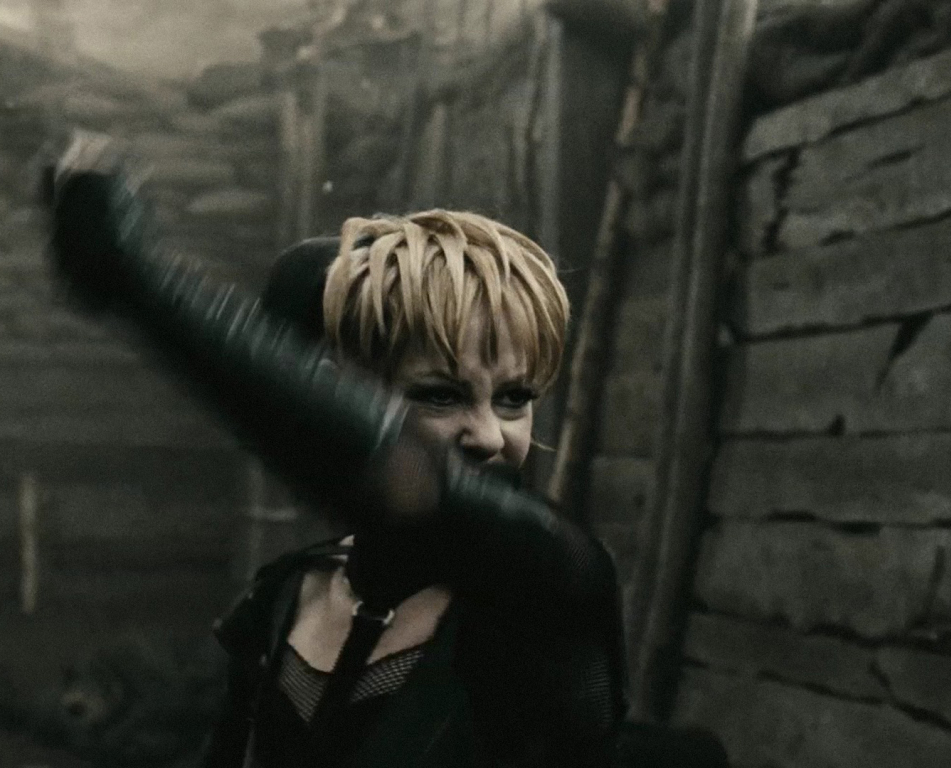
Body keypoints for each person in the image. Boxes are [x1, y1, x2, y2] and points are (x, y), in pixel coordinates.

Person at [46, 138, 624, 768]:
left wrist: (139, 284)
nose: (489, 435)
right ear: (342, 392)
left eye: (514, 398)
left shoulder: (550, 581)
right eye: (440, 395)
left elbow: (407, 477)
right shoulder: (283, 600)